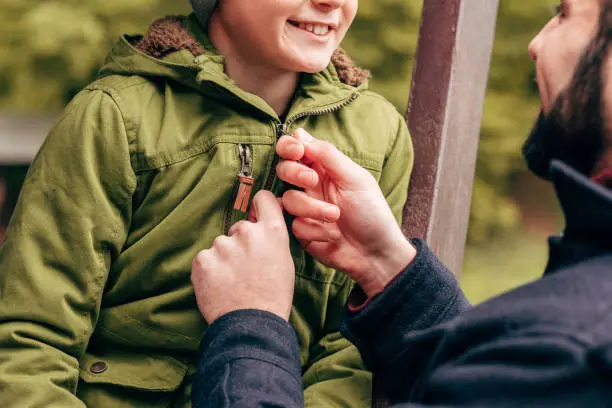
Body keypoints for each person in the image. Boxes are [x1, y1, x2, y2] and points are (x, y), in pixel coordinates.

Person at [190, 0, 612, 406]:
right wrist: (386, 265)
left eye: (564, 13)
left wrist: (249, 324)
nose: (536, 43)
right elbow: (492, 380)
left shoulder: (576, 351)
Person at [0, 0, 414, 407]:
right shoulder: (114, 118)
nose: (332, 1)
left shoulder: (380, 136)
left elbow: (355, 348)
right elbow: (30, 342)